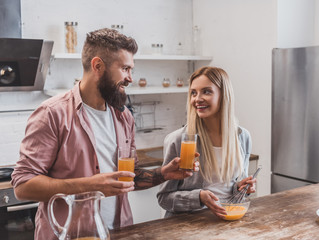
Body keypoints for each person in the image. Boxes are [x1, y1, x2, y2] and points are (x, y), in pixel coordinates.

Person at [11, 28, 198, 240]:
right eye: (125, 69)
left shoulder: (124, 116)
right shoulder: (52, 114)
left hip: (118, 232)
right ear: (98, 66)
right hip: (69, 236)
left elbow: (129, 177)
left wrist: (164, 173)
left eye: (131, 70)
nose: (130, 78)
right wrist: (91, 185)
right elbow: (23, 186)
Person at [157, 66, 256, 219]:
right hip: (187, 225)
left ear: (224, 95)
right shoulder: (179, 140)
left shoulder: (242, 137)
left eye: (206, 91)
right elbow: (164, 198)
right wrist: (198, 197)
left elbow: (230, 190)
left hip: (226, 221)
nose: (197, 99)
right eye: (193, 93)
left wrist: (241, 188)